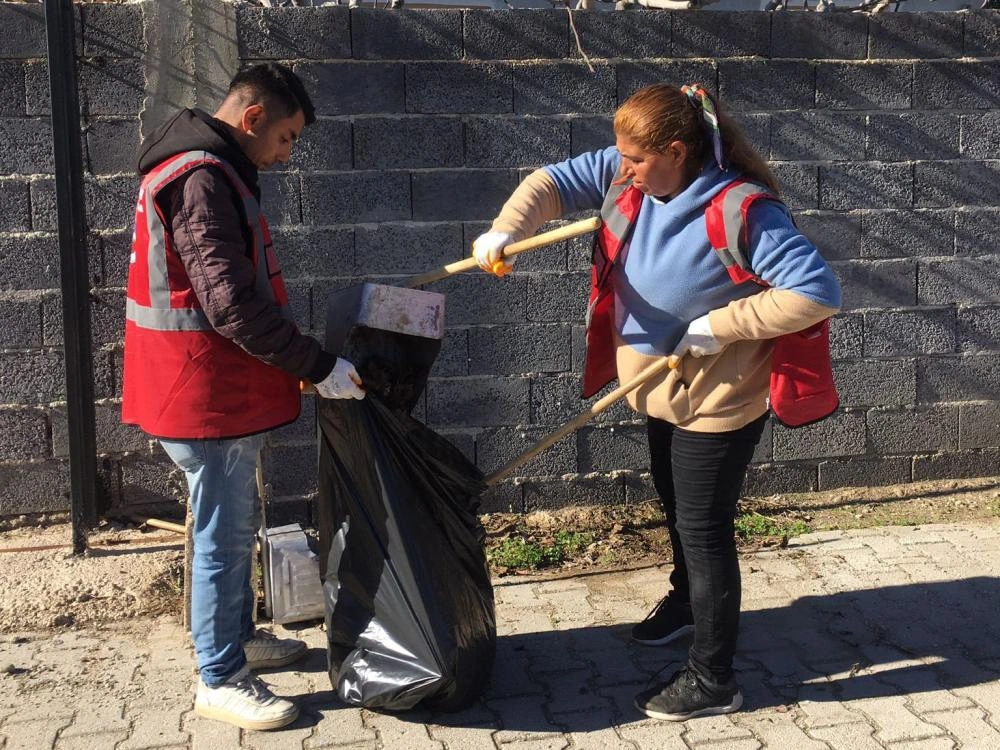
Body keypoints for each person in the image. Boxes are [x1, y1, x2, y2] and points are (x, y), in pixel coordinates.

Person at [472, 83, 841, 721]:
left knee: (704, 532)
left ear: (675, 151)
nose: (623, 169)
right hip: (657, 386)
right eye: (620, 157)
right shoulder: (631, 175)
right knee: (673, 502)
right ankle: (684, 604)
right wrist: (504, 230)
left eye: (636, 159)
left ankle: (714, 679)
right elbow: (549, 184)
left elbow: (816, 290)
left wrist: (718, 326)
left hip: (716, 396)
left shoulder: (742, 210)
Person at [121, 63, 364, 731]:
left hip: (208, 385)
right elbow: (228, 303)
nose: (286, 156)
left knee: (229, 526)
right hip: (204, 389)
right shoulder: (202, 177)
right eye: (286, 138)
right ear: (253, 119)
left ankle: (236, 636)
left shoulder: (206, 168)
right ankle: (221, 675)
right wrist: (315, 366)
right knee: (222, 537)